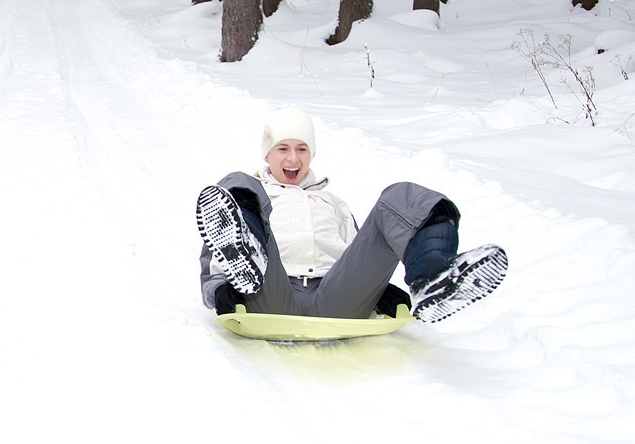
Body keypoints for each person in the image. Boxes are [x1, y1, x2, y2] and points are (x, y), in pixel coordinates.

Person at [196, 107, 507, 324]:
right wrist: (219, 289)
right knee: (238, 184)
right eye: (283, 149)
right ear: (267, 154)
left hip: (335, 299)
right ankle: (247, 258)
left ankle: (432, 274)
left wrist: (378, 291)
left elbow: (359, 257)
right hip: (270, 296)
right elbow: (213, 261)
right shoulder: (252, 197)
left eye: (302, 149)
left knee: (399, 196)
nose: (293, 158)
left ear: (311, 154)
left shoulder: (335, 205)